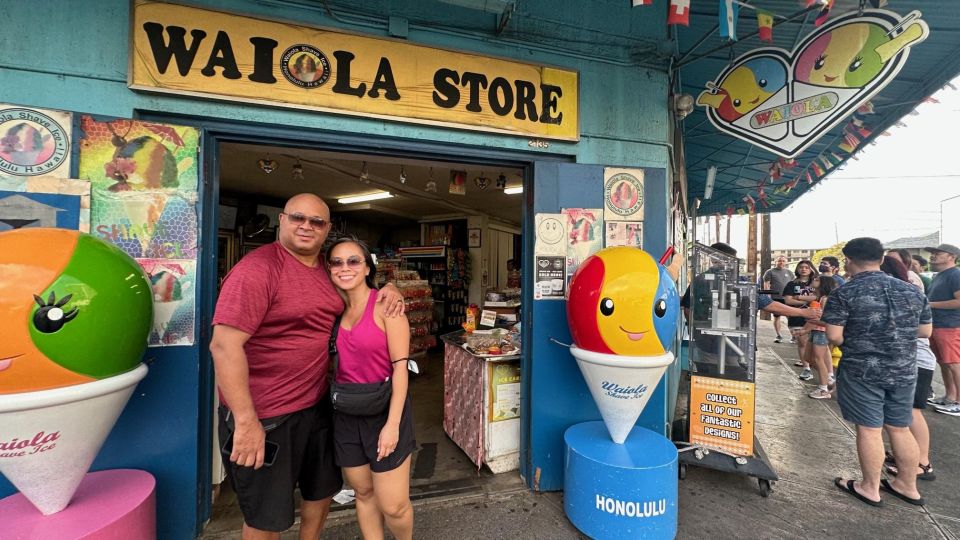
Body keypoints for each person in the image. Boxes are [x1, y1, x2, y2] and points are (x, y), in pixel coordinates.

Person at [210, 193, 405, 539]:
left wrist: (391, 288)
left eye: (316, 222)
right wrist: (246, 421)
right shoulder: (257, 270)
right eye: (298, 218)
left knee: (321, 492)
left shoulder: (325, 273)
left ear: (326, 229)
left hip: (317, 408)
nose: (306, 226)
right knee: (265, 515)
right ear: (281, 220)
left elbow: (359, 291)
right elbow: (224, 346)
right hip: (267, 417)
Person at [822, 237, 931, 507]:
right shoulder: (912, 290)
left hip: (862, 370)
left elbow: (834, 336)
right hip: (904, 369)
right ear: (882, 259)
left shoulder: (845, 292)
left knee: (870, 429)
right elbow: (925, 331)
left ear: (847, 260)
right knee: (900, 428)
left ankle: (869, 487)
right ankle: (907, 485)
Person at [326, 237, 415, 540]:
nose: (345, 267)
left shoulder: (387, 307)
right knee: (363, 493)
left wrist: (392, 426)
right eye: (337, 262)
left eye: (353, 261)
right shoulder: (332, 309)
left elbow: (401, 369)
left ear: (367, 268)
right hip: (346, 414)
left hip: (384, 412)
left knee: (394, 506)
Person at [879, 254, 937, 482]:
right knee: (902, 418)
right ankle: (911, 459)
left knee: (911, 413)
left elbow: (924, 331)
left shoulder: (906, 288)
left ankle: (923, 462)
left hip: (915, 360)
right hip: (903, 360)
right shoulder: (901, 288)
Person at [924, 243, 960, 416]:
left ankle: (959, 402)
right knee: (944, 363)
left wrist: (930, 304)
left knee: (954, 363)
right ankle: (950, 396)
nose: (933, 256)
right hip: (938, 324)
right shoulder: (940, 276)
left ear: (951, 257)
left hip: (951, 325)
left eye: (938, 253)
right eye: (933, 253)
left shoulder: (955, 275)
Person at [783, 260, 819, 380]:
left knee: (816, 344)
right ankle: (806, 368)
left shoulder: (817, 283)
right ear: (797, 269)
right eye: (801, 267)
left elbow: (820, 297)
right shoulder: (791, 284)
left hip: (816, 317)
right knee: (802, 341)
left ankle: (825, 372)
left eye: (807, 267)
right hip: (797, 317)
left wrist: (798, 297)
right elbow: (788, 300)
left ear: (811, 269)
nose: (804, 269)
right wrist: (807, 301)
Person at [804, 276, 838, 399]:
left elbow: (825, 319)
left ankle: (823, 389)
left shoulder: (825, 299)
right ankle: (828, 380)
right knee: (808, 357)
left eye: (817, 280)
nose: (814, 280)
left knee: (818, 359)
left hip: (821, 331)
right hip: (816, 330)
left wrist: (810, 319)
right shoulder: (821, 298)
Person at [763, 256, 794, 343]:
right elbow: (766, 284)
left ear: (786, 262)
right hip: (776, 298)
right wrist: (767, 295)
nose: (781, 262)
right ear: (776, 262)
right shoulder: (770, 272)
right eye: (779, 261)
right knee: (777, 317)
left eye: (783, 261)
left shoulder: (789, 272)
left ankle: (793, 336)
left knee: (790, 317)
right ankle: (778, 335)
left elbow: (793, 284)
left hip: (787, 298)